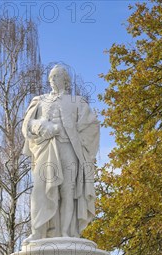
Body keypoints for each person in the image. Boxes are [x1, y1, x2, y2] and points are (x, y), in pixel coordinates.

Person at [22, 64, 100, 241]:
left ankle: (67, 233)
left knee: (68, 192)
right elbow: (27, 125)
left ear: (65, 79)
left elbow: (92, 125)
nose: (52, 80)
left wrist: (75, 132)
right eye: (50, 77)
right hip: (47, 149)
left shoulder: (77, 102)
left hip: (69, 149)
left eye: (56, 76)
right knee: (40, 188)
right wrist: (42, 126)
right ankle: (38, 231)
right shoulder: (40, 100)